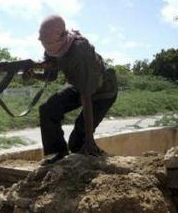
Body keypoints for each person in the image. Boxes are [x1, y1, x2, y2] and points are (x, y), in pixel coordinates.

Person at [28, 15, 118, 165]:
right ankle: (60, 153)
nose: (47, 48)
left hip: (103, 91)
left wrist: (89, 139)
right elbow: (51, 76)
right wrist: (33, 75)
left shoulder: (80, 51)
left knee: (78, 143)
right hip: (79, 84)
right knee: (48, 108)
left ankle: (99, 159)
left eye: (49, 43)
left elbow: (86, 96)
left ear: (62, 37)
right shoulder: (52, 47)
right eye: (44, 43)